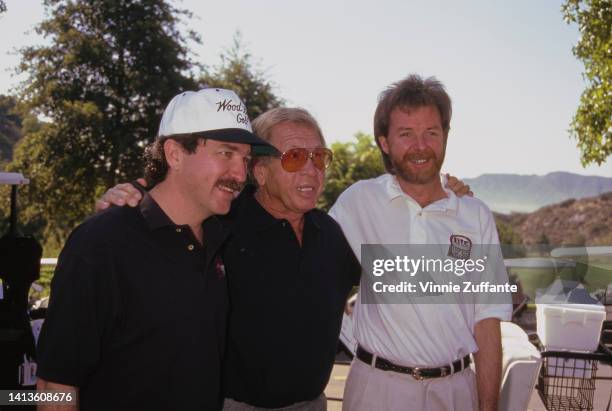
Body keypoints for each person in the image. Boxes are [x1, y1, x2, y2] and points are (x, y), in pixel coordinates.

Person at [98, 106, 471, 410]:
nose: (312, 169)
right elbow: (169, 209)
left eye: (319, 157)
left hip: (314, 405)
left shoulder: (335, 233)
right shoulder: (220, 224)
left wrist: (446, 196)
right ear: (259, 170)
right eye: (294, 157)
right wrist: (130, 193)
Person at [35, 88, 275, 411]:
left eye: (246, 159)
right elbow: (54, 387)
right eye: (226, 153)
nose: (240, 174)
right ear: (174, 154)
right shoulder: (102, 245)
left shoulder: (221, 238)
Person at [329, 74, 512, 411]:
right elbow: (312, 266)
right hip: (375, 391)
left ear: (445, 136)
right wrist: (349, 335)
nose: (420, 146)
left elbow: (487, 324)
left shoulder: (474, 215)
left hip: (456, 393)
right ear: (384, 142)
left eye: (431, 132)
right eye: (406, 134)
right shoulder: (359, 201)